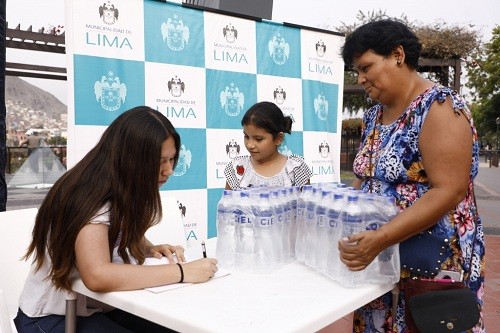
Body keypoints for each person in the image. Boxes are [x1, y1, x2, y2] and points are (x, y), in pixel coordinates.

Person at [14, 106, 219, 333]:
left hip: (98, 307)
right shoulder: (89, 196)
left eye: (172, 159)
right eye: (160, 161)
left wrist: (149, 248)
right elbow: (97, 275)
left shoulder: (120, 185)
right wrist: (182, 272)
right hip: (52, 317)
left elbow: (116, 231)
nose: (169, 170)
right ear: (132, 159)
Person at [338, 20, 485, 332]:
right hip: (379, 259)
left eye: (366, 67)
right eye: (357, 72)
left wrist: (381, 238)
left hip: (431, 262)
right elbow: (367, 178)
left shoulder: (439, 106)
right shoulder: (373, 115)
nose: (361, 78)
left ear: (397, 55)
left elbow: (449, 190)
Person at [224, 101, 312, 189]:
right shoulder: (237, 168)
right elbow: (227, 201)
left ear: (278, 138)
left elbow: (306, 201)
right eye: (246, 136)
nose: (250, 145)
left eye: (258, 139)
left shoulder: (296, 168)